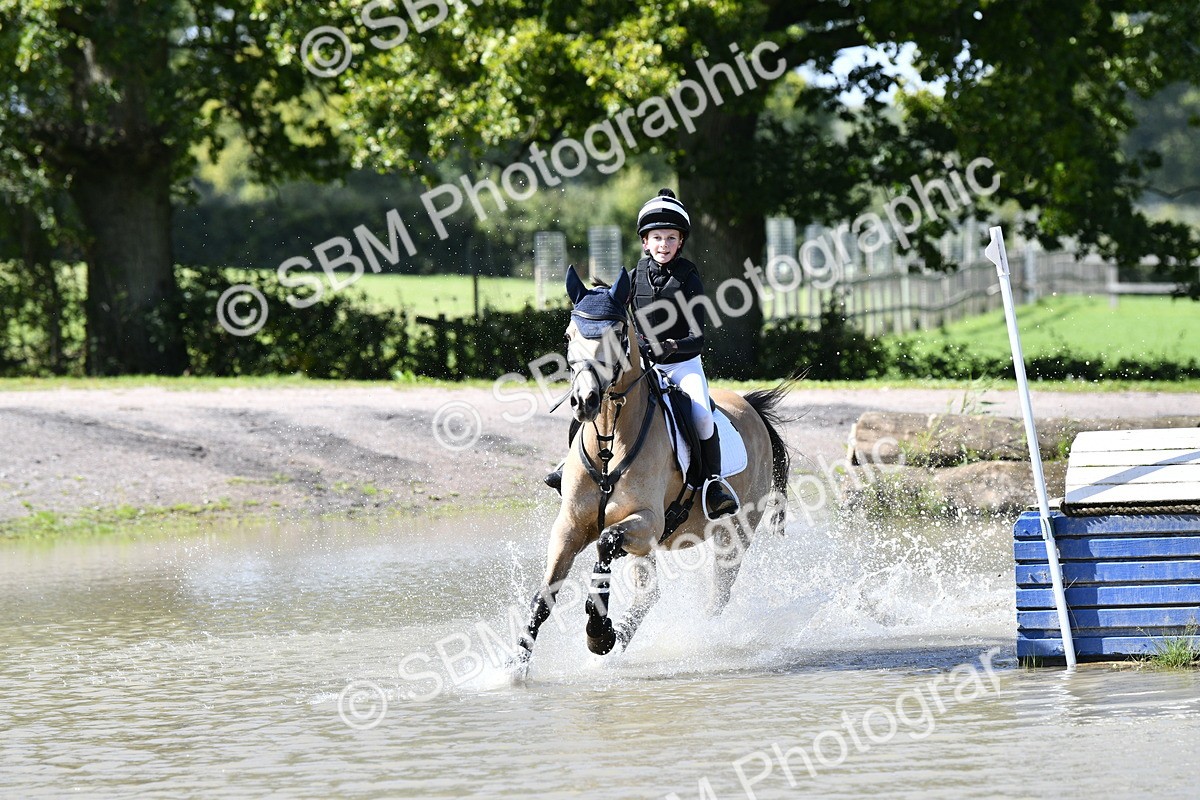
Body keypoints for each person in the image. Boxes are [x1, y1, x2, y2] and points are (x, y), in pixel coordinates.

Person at [545, 188, 738, 519]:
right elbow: (614, 314)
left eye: (671, 238)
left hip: (683, 365)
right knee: (594, 396)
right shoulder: (634, 277)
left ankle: (713, 483)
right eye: (657, 238)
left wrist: (669, 347)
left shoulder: (688, 278)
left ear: (680, 242)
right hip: (641, 365)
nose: (663, 244)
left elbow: (698, 338)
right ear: (645, 242)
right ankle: (571, 464)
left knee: (703, 414)